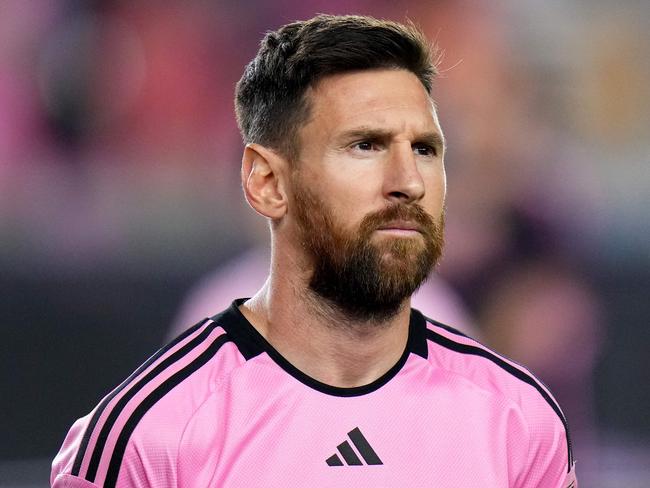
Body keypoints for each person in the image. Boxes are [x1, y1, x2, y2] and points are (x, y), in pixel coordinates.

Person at [51, 14, 577, 487]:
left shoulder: (519, 422)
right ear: (266, 182)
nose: (408, 181)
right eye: (364, 146)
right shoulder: (147, 438)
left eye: (424, 149)